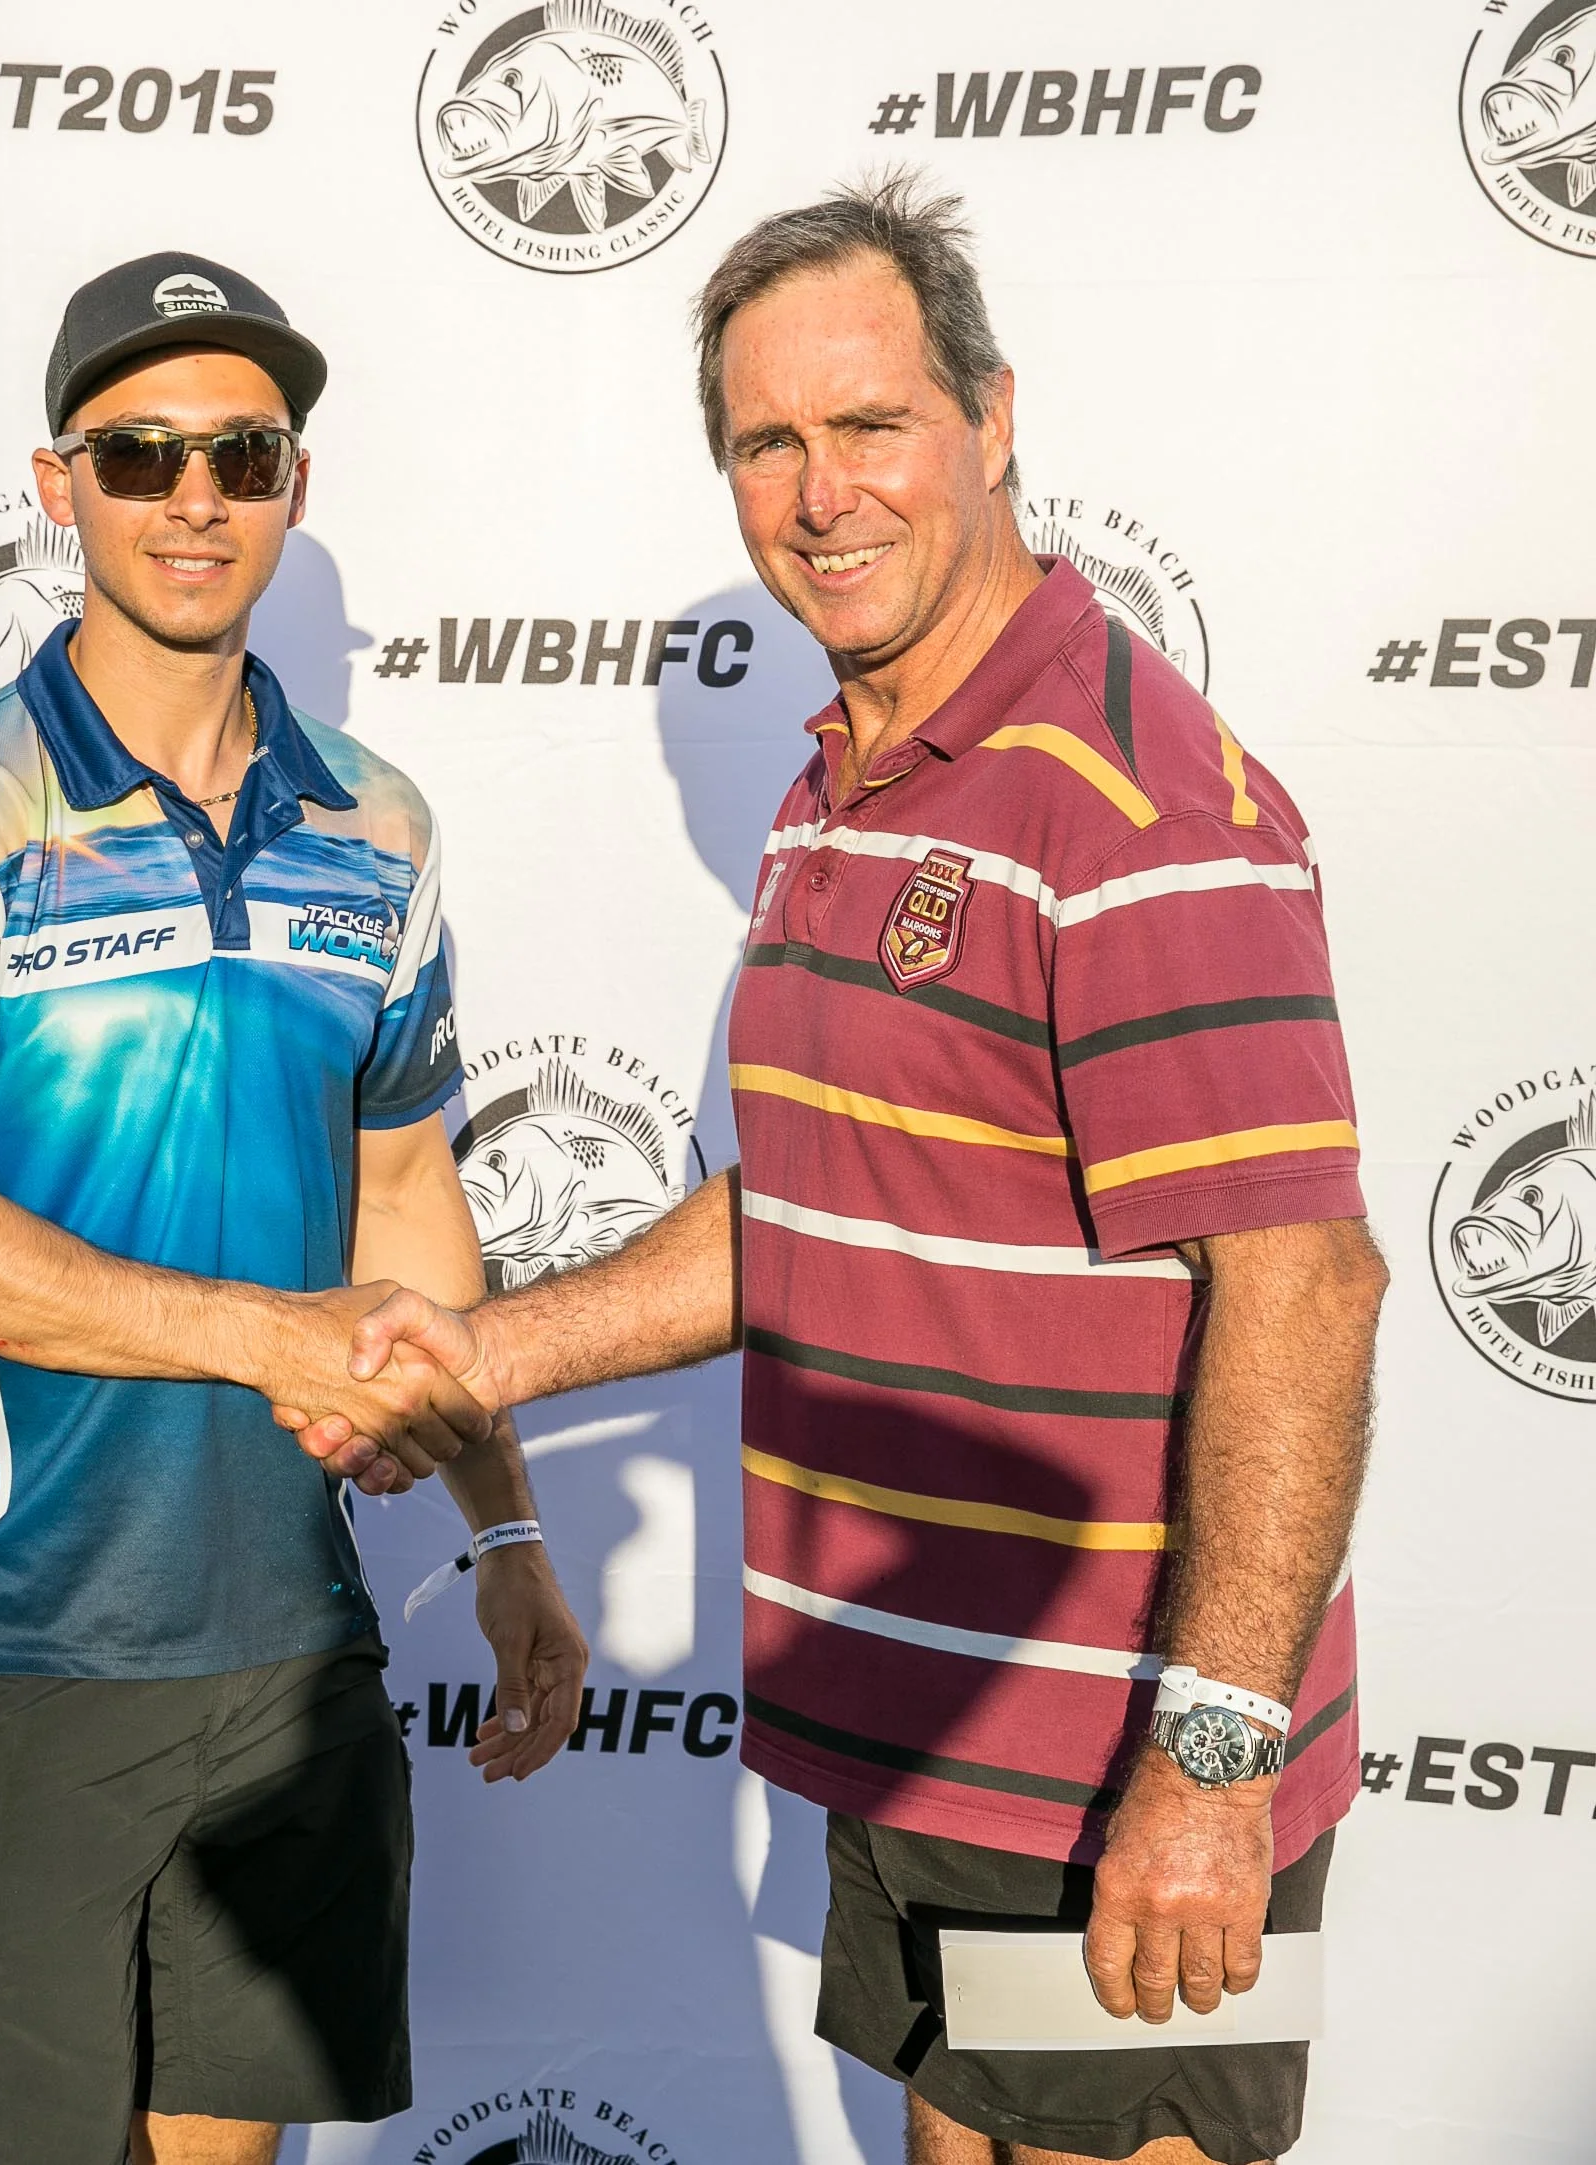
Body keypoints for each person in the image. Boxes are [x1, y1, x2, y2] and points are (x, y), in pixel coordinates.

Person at [289, 178, 1387, 2165]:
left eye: (870, 423)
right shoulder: (842, 779)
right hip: (917, 1744)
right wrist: (481, 1353)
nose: (821, 493)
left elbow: (1305, 1285)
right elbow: (810, 1202)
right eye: (767, 441)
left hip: (1113, 1768)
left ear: (992, 417)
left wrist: (1214, 1767)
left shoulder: (1138, 802)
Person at [0, 251, 587, 2165]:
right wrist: (263, 1337)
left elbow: (406, 1199)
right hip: (22, 1644)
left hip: (294, 1650)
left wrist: (503, 1522)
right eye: (141, 455)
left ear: (296, 486)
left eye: (243, 453)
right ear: (60, 486)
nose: (194, 497)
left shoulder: (376, 821)